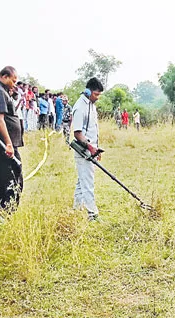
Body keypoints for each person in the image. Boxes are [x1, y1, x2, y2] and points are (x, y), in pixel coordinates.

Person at [0, 66, 23, 219]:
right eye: (13, 81)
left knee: (12, 178)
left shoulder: (1, 90)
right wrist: (8, 143)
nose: (14, 84)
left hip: (6, 144)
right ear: (5, 76)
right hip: (2, 145)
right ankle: (4, 216)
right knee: (7, 181)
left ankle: (6, 214)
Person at [72, 77, 104, 221]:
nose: (97, 98)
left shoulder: (91, 104)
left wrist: (95, 148)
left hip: (91, 149)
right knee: (88, 183)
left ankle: (76, 210)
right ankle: (92, 214)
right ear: (87, 91)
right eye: (96, 94)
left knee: (82, 181)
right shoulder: (80, 107)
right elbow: (77, 133)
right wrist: (90, 147)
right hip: (83, 150)